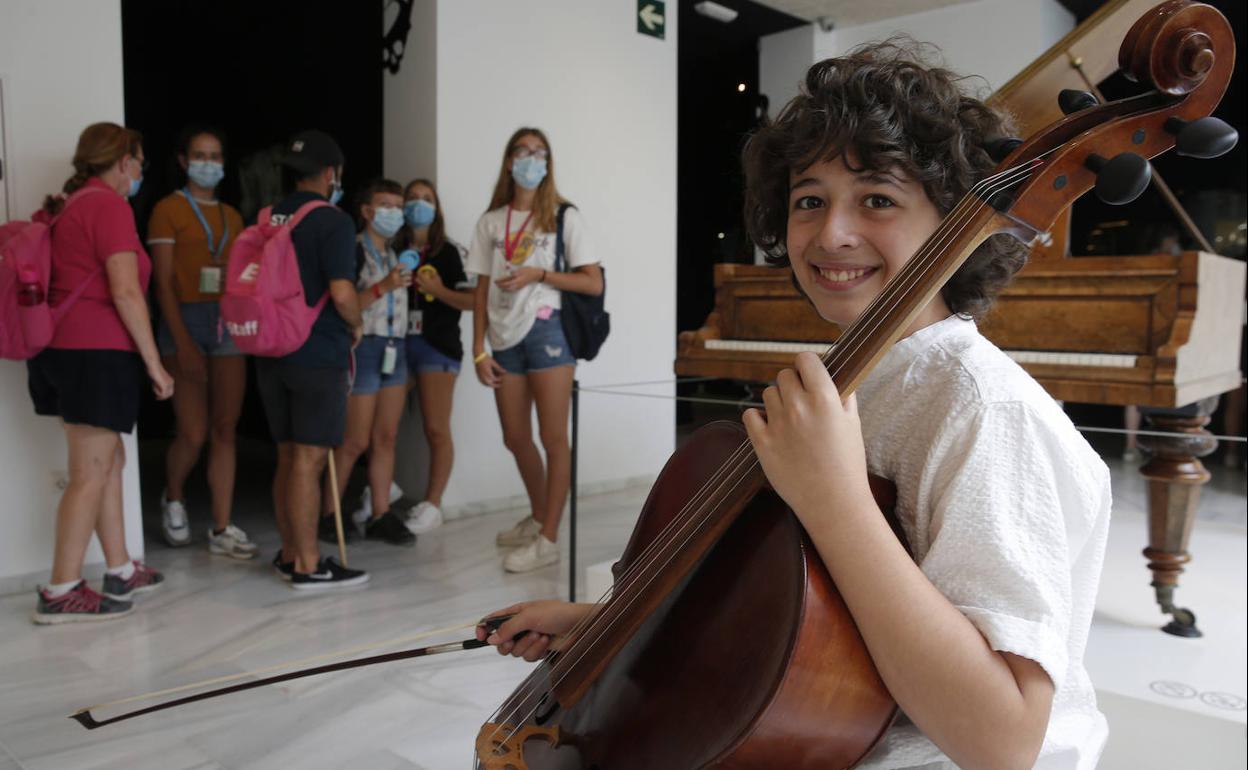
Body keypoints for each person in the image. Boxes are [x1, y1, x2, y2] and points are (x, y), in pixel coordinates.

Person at [478, 44, 1112, 770]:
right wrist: (608, 623)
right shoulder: (861, 378)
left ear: (954, 225)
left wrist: (836, 503)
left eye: (877, 198)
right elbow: (803, 619)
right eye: (810, 199)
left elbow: (1003, 742)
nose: (831, 232)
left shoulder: (982, 410)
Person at [28, 122, 173, 623]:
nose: (139, 172)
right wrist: (156, 363)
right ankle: (60, 590)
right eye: (139, 161)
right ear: (124, 161)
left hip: (67, 350)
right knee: (89, 473)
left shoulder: (70, 205)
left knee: (109, 461)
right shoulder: (108, 206)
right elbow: (126, 290)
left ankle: (119, 568)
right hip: (95, 351)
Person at [467, 128, 603, 573]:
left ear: (548, 163)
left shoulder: (563, 216)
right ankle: (539, 513)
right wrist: (478, 349)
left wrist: (538, 275)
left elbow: (592, 281)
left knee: (552, 438)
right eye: (523, 152)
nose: (532, 159)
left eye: (540, 153)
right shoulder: (491, 221)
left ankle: (548, 538)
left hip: (549, 336)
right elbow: (481, 288)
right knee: (515, 436)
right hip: (503, 339)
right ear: (509, 161)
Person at [257, 129, 369, 590]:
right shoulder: (333, 221)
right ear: (330, 173)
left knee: (287, 456)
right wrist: (356, 324)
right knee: (310, 459)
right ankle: (308, 564)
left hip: (270, 350)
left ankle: (288, 553)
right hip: (316, 351)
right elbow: (342, 292)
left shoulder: (265, 216)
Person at [147, 125, 255, 558]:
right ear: (182, 161)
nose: (208, 163)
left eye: (215, 156)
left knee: (225, 428)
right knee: (192, 431)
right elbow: (162, 283)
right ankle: (173, 496)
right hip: (184, 318)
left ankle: (222, 525)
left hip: (226, 320)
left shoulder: (232, 215)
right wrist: (182, 340)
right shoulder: (167, 209)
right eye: (199, 155)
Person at [318, 178, 415, 547]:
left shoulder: (397, 254)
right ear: (366, 211)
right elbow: (346, 303)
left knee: (386, 437)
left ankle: (380, 513)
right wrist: (384, 286)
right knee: (354, 440)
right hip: (364, 346)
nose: (393, 213)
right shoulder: (353, 249)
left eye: (398, 206)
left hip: (396, 346)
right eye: (385, 205)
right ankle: (330, 513)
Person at [397, 178, 474, 533]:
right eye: (412, 198)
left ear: (436, 207)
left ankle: (433, 504)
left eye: (426, 199)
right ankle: (382, 493)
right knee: (378, 426)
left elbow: (474, 301)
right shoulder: (392, 246)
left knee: (435, 427)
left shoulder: (450, 252)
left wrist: (438, 290)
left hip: (437, 347)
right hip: (393, 346)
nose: (418, 204)